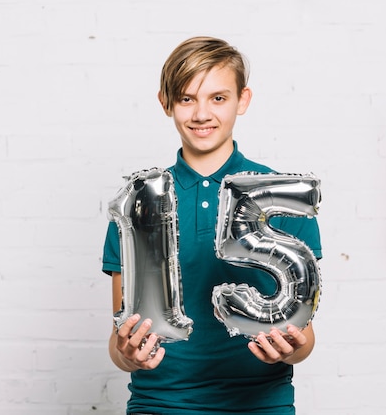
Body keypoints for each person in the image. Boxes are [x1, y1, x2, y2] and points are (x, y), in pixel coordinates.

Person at [102, 36, 322, 414]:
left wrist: (292, 348)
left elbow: (305, 338)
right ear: (165, 102)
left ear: (243, 100)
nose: (202, 113)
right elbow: (120, 343)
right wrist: (128, 355)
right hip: (161, 403)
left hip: (262, 404)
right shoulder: (139, 202)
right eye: (187, 98)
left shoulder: (280, 198)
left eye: (218, 98)